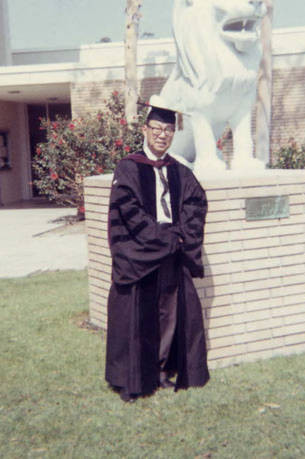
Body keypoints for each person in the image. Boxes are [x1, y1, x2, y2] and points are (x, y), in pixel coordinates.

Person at [105, 99, 210, 402]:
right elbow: (128, 210)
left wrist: (179, 237)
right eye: (157, 129)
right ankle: (132, 380)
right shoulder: (128, 167)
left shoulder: (179, 170)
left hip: (171, 256)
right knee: (137, 317)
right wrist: (161, 237)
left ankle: (162, 371)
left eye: (168, 130)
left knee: (169, 317)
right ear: (145, 130)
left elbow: (196, 202)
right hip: (141, 256)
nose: (162, 135)